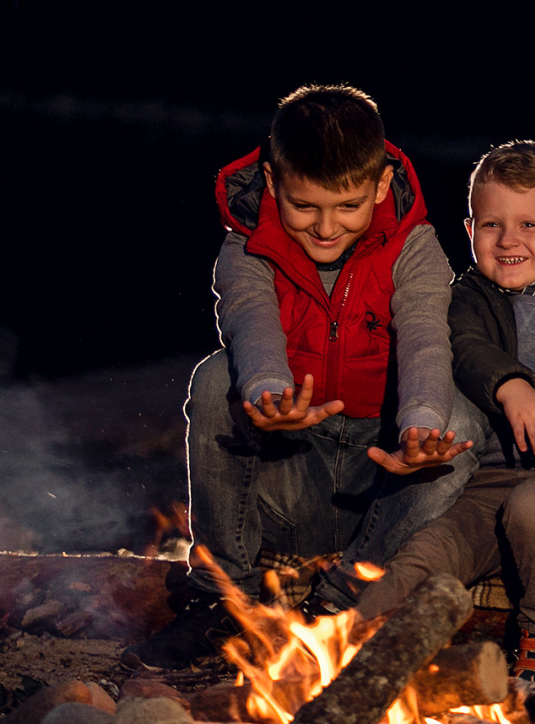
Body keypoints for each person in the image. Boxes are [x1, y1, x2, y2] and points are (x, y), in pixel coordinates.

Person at [123, 84, 477, 671]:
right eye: (304, 206)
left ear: (382, 184)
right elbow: (249, 321)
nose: (325, 227)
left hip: (378, 485)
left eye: (347, 206)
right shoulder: (247, 246)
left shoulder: (417, 248)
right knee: (216, 381)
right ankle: (220, 601)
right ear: (272, 181)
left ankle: (335, 607)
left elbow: (424, 338)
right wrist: (266, 392)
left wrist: (420, 426)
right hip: (290, 475)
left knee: (458, 428)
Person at [352, 141, 535, 686]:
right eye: (492, 225)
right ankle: (343, 644)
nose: (508, 240)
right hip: (485, 483)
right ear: (470, 231)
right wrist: (510, 386)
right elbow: (461, 345)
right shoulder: (464, 300)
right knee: (429, 548)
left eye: (530, 225)